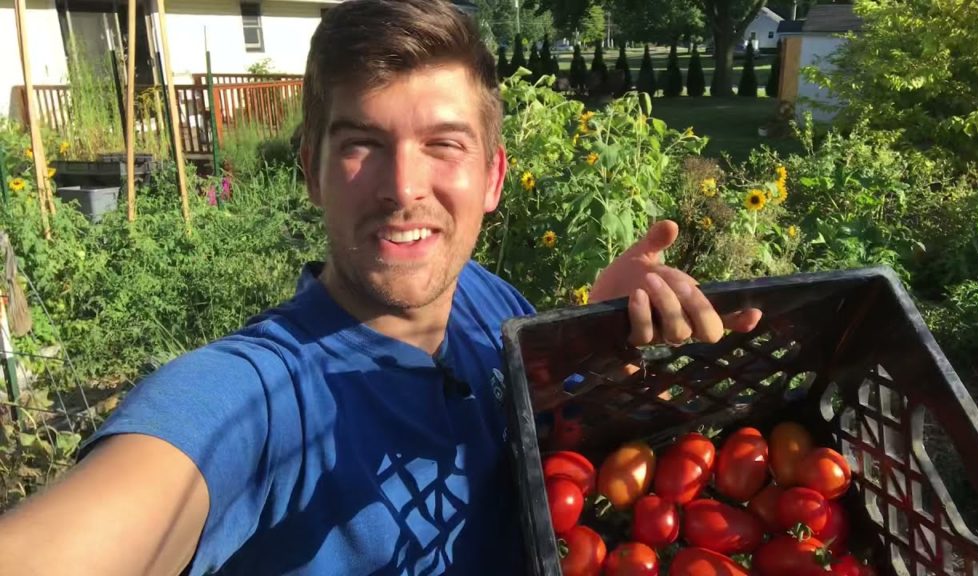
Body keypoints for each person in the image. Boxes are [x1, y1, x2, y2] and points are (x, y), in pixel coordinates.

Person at [0, 1, 761, 574]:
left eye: (443, 145)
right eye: (362, 143)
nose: (404, 188)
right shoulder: (260, 397)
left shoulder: (488, 301)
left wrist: (594, 321)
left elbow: (549, 437)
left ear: (493, 177)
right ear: (311, 171)